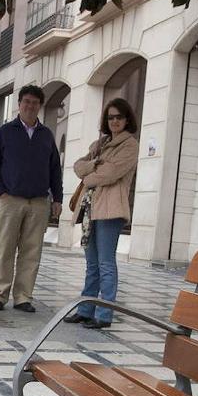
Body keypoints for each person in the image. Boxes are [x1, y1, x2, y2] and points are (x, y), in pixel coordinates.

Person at [0, 85, 62, 312]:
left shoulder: (46, 135)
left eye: (35, 103)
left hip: (38, 202)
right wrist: (1, 192)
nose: (30, 106)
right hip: (11, 200)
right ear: (19, 104)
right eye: (26, 101)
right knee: (5, 248)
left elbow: (55, 169)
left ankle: (23, 297)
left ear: (39, 106)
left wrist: (57, 198)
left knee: (32, 251)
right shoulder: (6, 131)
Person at [63, 98, 139, 329]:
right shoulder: (101, 144)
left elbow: (110, 173)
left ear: (127, 119)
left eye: (119, 117)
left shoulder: (130, 145)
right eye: (111, 117)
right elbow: (77, 165)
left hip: (111, 210)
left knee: (106, 263)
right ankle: (86, 310)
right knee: (92, 264)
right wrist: (95, 164)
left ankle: (104, 314)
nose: (114, 121)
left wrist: (90, 173)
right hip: (91, 208)